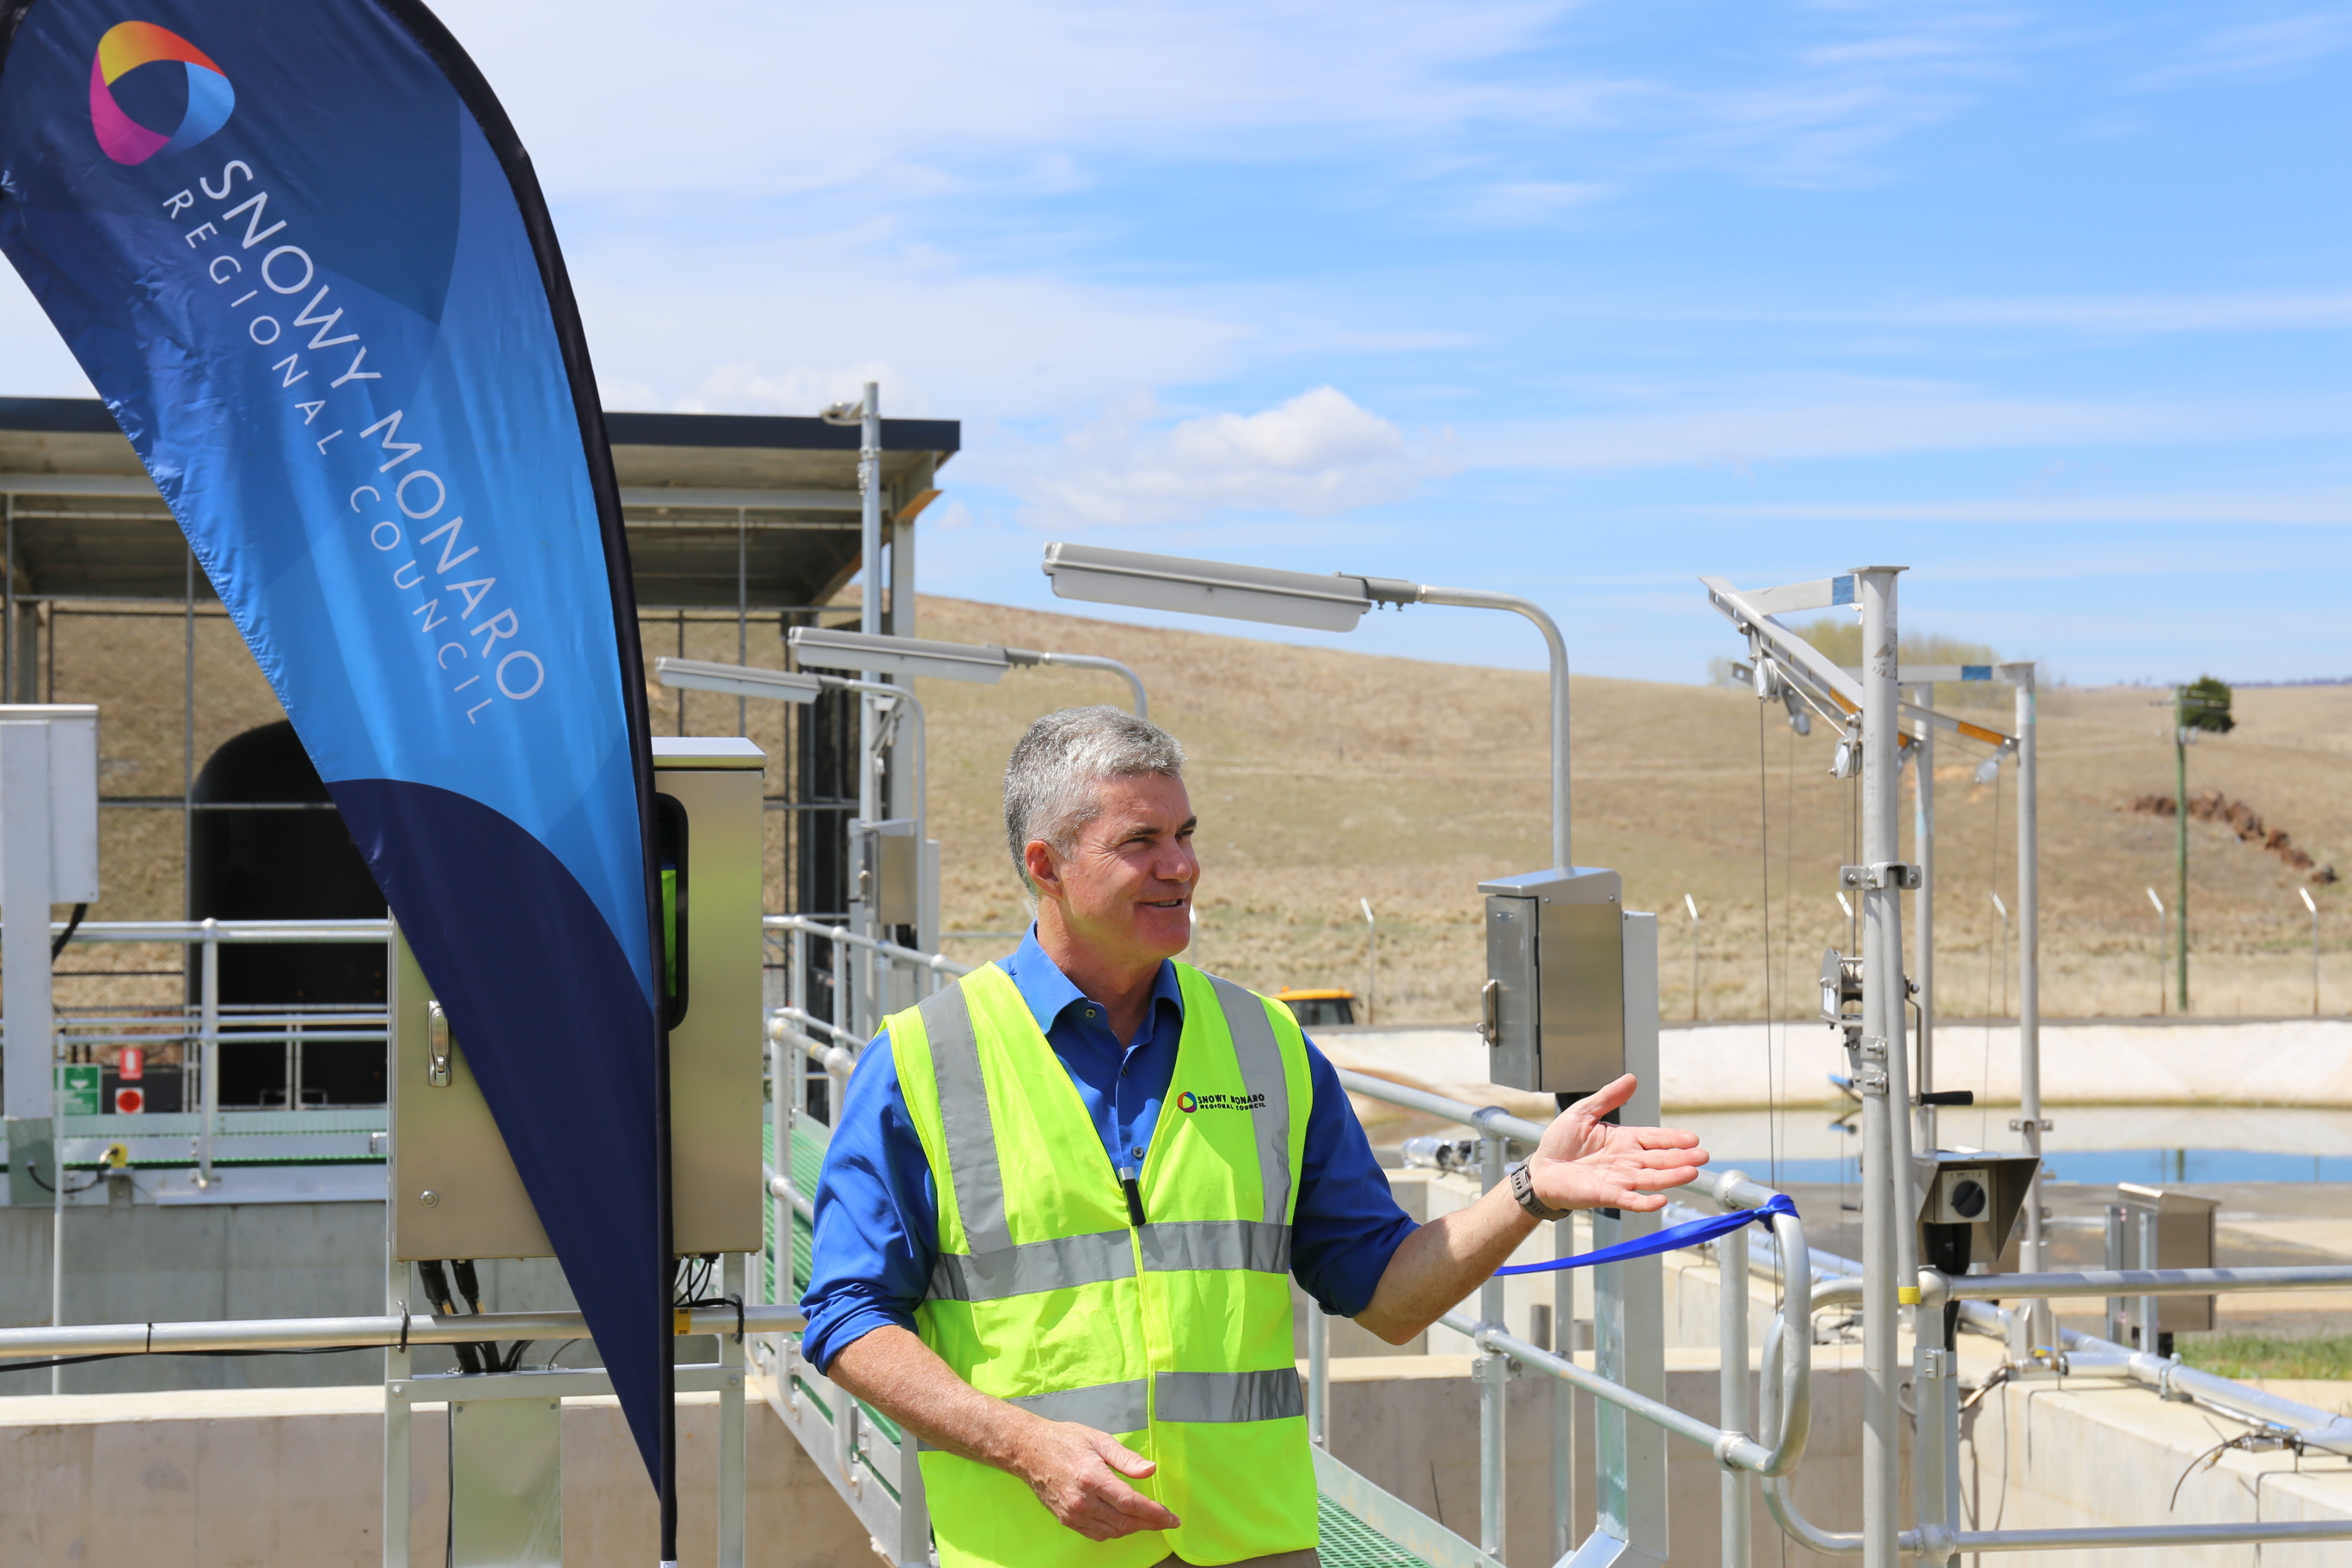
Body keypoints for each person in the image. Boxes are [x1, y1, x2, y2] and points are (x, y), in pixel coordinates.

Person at [800, 707, 1706, 1568]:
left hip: (1255, 1547)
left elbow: (1387, 1297)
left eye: (1187, 835)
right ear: (1047, 864)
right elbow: (848, 1319)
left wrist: (1528, 1193)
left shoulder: (1266, 1045)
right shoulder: (924, 1060)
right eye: (1141, 843)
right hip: (1030, 1549)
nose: (1181, 868)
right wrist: (1025, 1445)